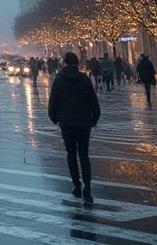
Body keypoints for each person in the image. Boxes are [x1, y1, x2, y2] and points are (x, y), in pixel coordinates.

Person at [48, 51, 100, 205]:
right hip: (84, 123)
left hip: (67, 124)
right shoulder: (84, 80)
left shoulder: (59, 80)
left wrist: (56, 119)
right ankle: (88, 189)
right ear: (77, 63)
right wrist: (93, 119)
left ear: (64, 62)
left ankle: (77, 185)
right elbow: (94, 102)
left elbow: (53, 104)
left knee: (71, 154)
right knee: (84, 155)